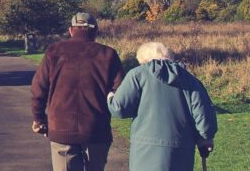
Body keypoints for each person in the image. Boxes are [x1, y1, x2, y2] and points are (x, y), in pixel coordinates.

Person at [31, 12, 124, 171]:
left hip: (61, 128)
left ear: (71, 30)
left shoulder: (54, 51)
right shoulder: (108, 54)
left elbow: (38, 89)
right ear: (95, 31)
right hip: (96, 129)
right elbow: (120, 92)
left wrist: (39, 119)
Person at [107, 42, 218, 171]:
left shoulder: (137, 74)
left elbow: (119, 109)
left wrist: (110, 96)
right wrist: (205, 138)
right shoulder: (190, 80)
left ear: (143, 60)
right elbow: (204, 118)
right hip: (182, 148)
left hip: (145, 148)